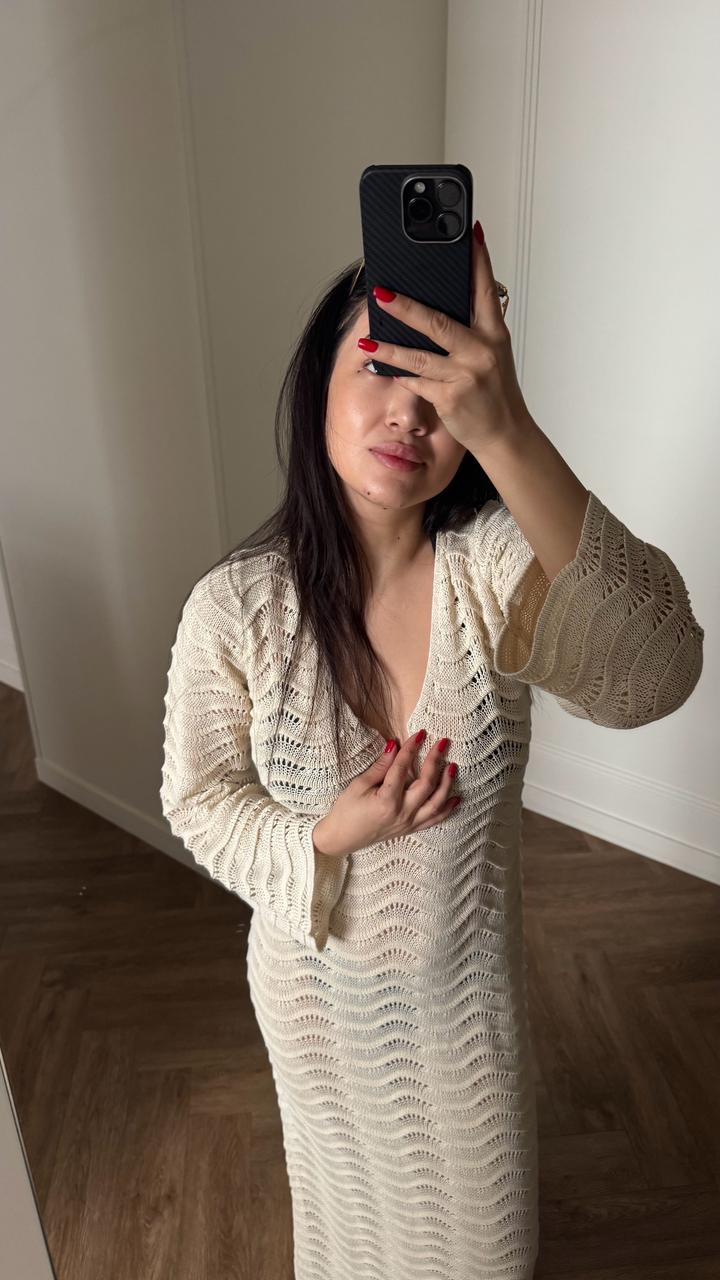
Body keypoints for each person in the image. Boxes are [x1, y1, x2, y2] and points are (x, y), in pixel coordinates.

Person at [160, 221, 704, 1280]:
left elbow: (658, 672)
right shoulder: (236, 607)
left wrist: (511, 432)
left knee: (480, 1251)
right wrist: (328, 833)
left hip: (463, 1025)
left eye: (440, 388)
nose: (408, 412)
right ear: (318, 383)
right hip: (313, 1016)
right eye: (378, 366)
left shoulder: (491, 571)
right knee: (344, 1242)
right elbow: (199, 798)